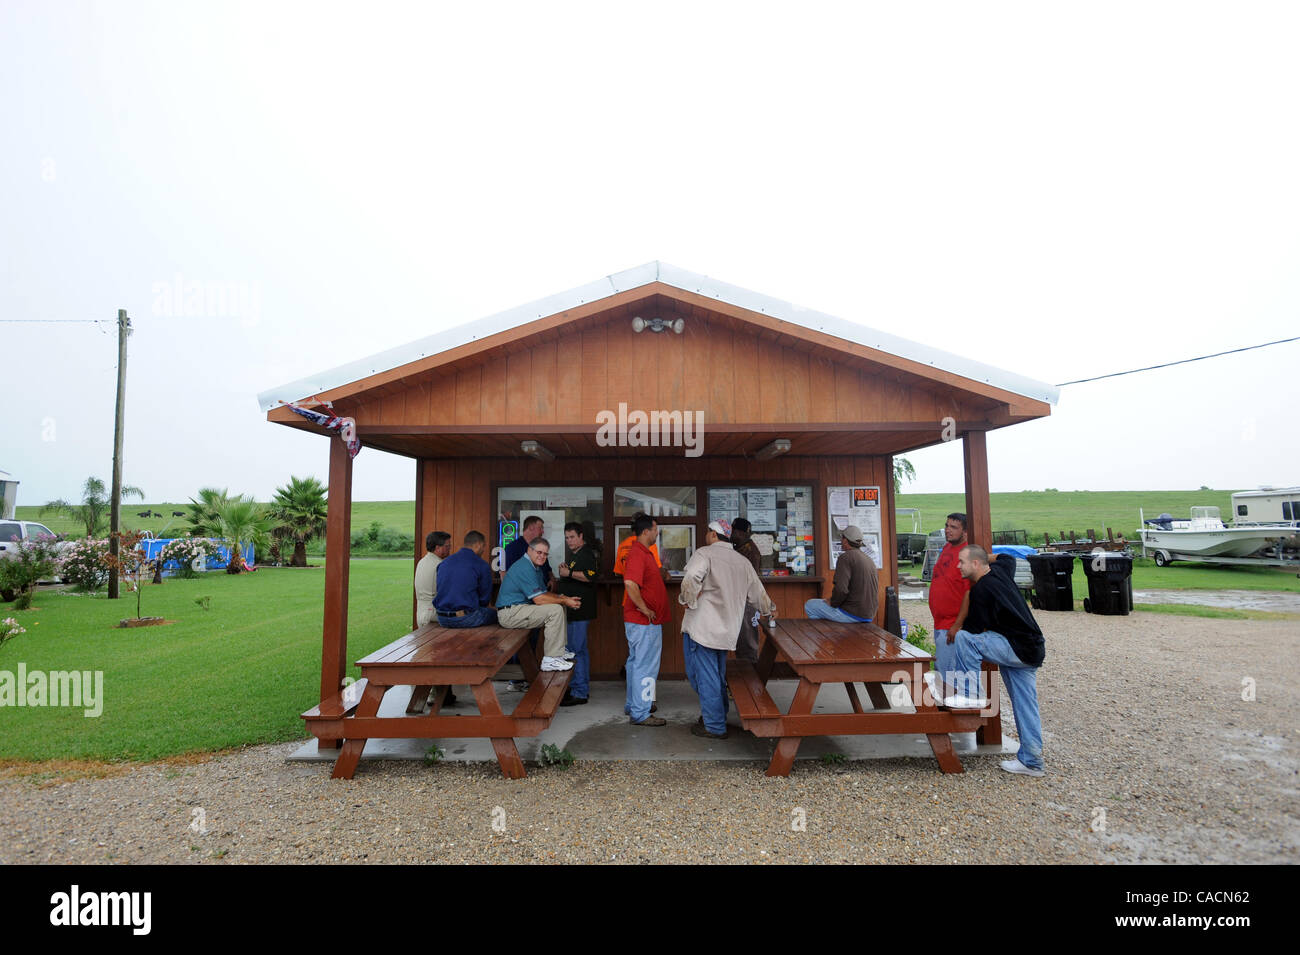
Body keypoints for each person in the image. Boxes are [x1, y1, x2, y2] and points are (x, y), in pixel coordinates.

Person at [945, 545, 1046, 777]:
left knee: (964, 639)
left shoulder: (982, 591)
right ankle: (1032, 761)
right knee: (1025, 706)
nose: (958, 566)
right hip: (1032, 648)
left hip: (1016, 647)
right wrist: (982, 556)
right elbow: (1007, 557)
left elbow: (971, 634)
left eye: (962, 561)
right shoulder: (1001, 570)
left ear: (976, 564)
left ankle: (971, 695)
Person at [679, 519, 777, 740]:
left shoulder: (705, 553)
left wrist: (688, 599)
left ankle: (714, 725)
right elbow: (757, 592)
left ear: (713, 534)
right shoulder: (741, 561)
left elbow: (692, 576)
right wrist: (770, 609)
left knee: (703, 676)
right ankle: (716, 716)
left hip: (703, 628)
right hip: (727, 630)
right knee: (716, 675)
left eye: (707, 531)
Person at [495, 537, 576, 672]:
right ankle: (551, 659)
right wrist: (564, 600)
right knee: (555, 610)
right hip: (509, 613)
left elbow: (543, 593)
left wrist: (563, 598)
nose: (542, 556)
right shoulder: (524, 567)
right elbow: (539, 600)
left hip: (520, 609)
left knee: (560, 604)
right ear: (529, 550)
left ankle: (559, 651)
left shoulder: (535, 567)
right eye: (539, 552)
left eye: (545, 554)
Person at [622, 513, 668, 726]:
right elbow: (630, 584)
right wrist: (645, 609)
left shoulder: (644, 552)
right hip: (643, 621)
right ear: (646, 531)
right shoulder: (638, 553)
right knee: (646, 666)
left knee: (636, 663)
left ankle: (635, 705)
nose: (657, 532)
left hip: (641, 621)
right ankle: (642, 712)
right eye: (655, 529)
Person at [556, 521, 598, 705]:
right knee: (577, 650)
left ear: (581, 536)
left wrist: (569, 572)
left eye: (572, 536)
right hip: (573, 610)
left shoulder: (587, 553)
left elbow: (590, 576)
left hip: (580, 610)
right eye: (567, 537)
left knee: (576, 650)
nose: (569, 540)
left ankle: (579, 692)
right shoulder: (575, 555)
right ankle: (578, 688)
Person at [804, 525, 878, 623]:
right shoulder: (868, 559)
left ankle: (828, 636)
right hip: (869, 614)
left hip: (852, 614)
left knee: (810, 605)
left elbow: (841, 589)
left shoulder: (845, 558)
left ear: (845, 541)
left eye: (842, 538)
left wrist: (832, 602)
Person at [928, 513, 971, 680]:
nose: (947, 530)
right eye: (947, 526)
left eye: (954, 527)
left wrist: (957, 625)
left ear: (965, 532)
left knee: (947, 674)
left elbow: (969, 593)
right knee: (942, 669)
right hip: (940, 622)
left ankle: (949, 704)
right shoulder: (947, 548)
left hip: (951, 626)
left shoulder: (967, 553)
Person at [434, 531, 497, 628]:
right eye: (484, 546)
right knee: (501, 615)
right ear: (478, 545)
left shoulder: (444, 563)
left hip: (442, 618)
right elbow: (484, 600)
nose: (484, 549)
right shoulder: (481, 565)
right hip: (466, 618)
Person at [730, 517, 763, 663]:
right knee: (741, 640)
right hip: (740, 601)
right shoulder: (738, 548)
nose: (731, 534)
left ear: (739, 532)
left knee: (747, 640)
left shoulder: (750, 551)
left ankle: (750, 676)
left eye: (733, 531)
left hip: (747, 602)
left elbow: (752, 581)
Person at [414, 530, 452, 627]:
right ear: (437, 548)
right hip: (433, 614)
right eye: (447, 546)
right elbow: (446, 592)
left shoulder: (421, 562)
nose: (450, 549)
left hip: (420, 612)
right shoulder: (440, 565)